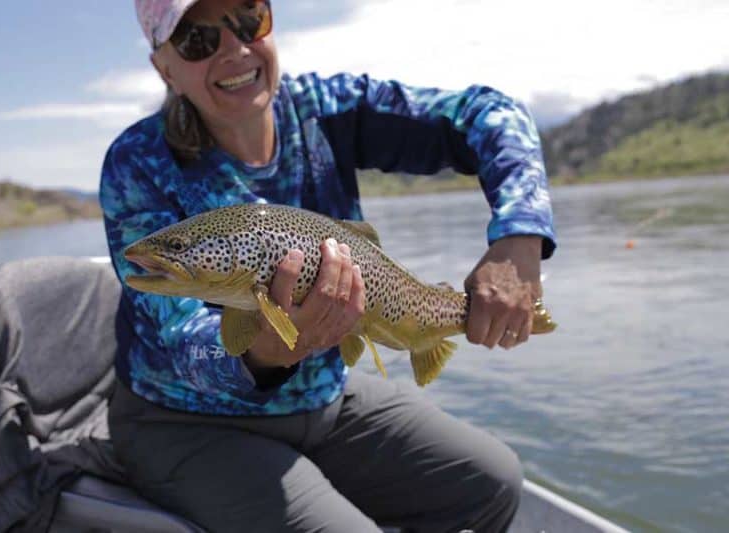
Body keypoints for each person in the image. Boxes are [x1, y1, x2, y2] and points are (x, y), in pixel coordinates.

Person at [100, 0, 556, 531]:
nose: (235, 49)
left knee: (493, 480)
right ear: (165, 68)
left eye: (249, 20)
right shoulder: (137, 164)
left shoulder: (328, 109)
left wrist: (520, 236)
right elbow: (182, 340)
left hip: (325, 399)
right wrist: (269, 350)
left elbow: (491, 113)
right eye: (197, 41)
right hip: (184, 423)